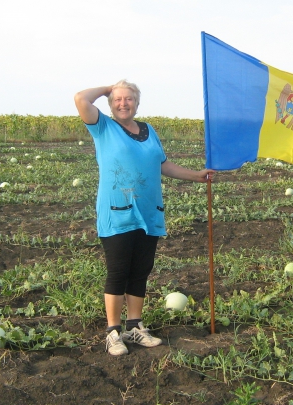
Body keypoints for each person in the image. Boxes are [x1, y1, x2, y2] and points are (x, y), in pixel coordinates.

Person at [74, 80, 214, 356]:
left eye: (128, 99)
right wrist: (107, 88)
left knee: (140, 271)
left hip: (148, 213)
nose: (123, 104)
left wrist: (196, 176)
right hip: (117, 212)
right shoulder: (103, 127)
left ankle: (135, 327)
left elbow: (162, 164)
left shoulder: (149, 131)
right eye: (117, 100)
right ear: (110, 104)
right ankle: (113, 332)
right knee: (118, 272)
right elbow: (80, 99)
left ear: (137, 103)